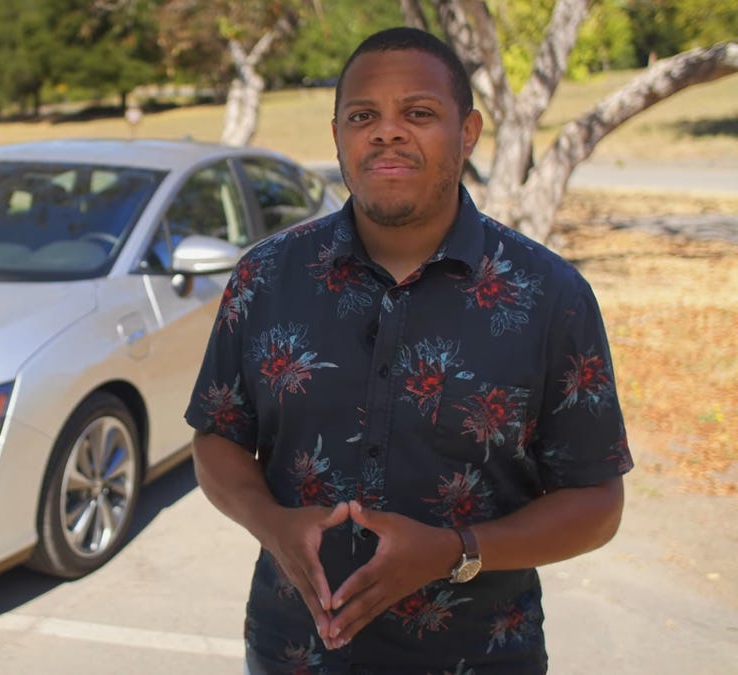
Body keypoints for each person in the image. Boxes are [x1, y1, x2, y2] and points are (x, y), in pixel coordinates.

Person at [184, 26, 631, 674]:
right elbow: (219, 436)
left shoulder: (550, 295)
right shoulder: (266, 277)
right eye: (364, 116)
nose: (387, 132)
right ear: (337, 134)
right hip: (292, 650)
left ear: (469, 132)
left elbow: (597, 502)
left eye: (418, 113)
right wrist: (269, 521)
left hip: (480, 656)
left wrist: (458, 548)